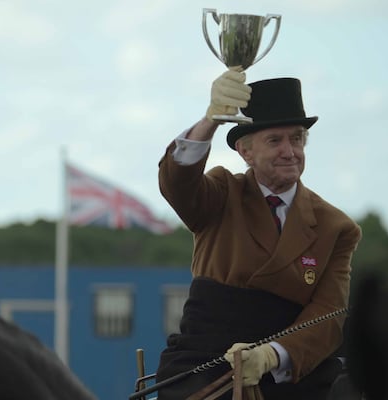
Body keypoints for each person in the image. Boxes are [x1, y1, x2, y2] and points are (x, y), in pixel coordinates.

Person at [154, 68, 362, 400]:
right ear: (245, 151)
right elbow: (177, 183)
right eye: (275, 140)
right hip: (206, 360)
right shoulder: (222, 192)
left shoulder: (336, 227)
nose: (289, 151)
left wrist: (271, 356)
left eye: (296, 138)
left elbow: (328, 315)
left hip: (292, 373)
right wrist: (210, 120)